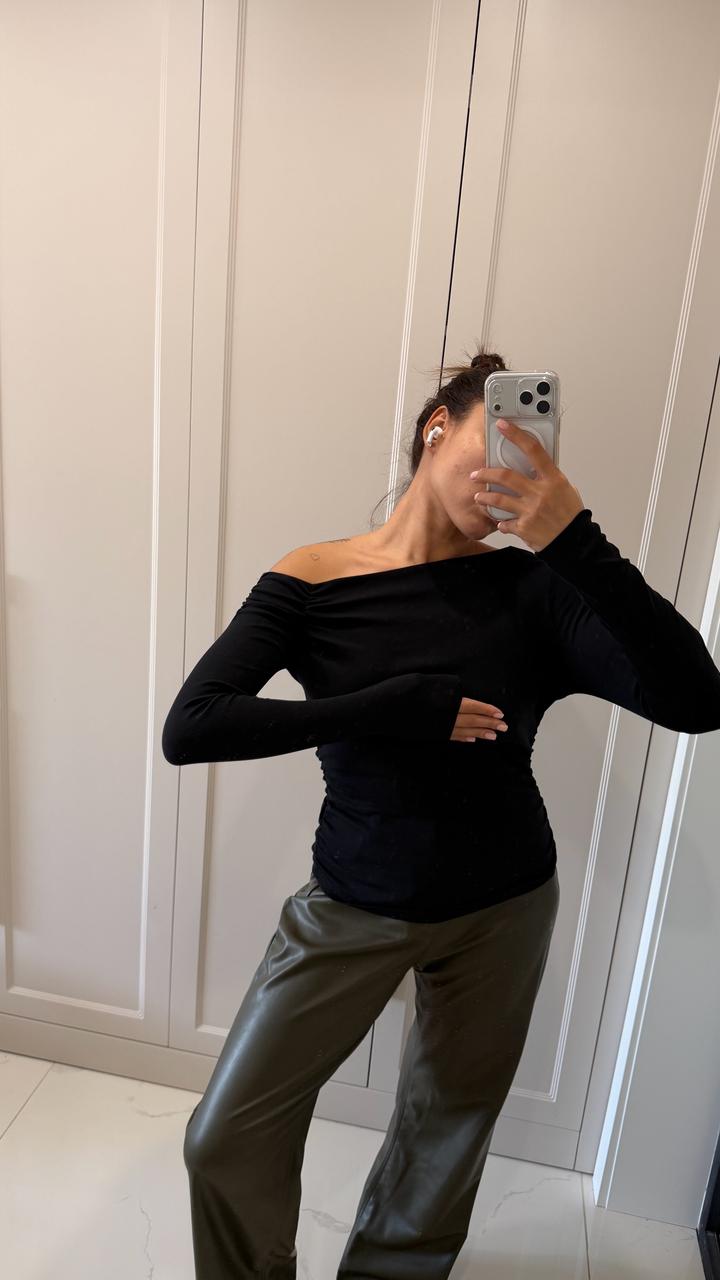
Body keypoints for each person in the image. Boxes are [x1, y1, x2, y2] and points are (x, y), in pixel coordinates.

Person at [162, 347, 720, 1280]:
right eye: (496, 442)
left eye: (533, 456)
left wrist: (575, 540)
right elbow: (193, 726)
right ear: (437, 429)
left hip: (504, 907)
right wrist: (387, 708)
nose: (510, 474)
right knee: (225, 1136)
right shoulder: (314, 578)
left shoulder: (535, 587)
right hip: (351, 902)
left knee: (443, 1140)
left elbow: (698, 700)